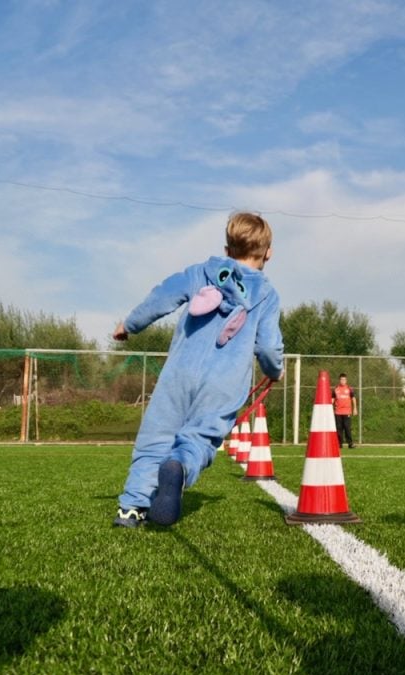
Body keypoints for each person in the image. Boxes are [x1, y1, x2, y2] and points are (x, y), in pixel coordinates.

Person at [112, 212, 284, 528]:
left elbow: (161, 297)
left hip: (179, 373)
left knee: (156, 435)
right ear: (268, 252)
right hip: (224, 382)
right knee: (201, 437)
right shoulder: (267, 295)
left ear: (227, 247)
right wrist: (274, 370)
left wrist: (130, 324)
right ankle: (180, 465)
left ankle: (131, 507)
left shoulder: (200, 273)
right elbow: (269, 346)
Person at [331, 372, 357, 449]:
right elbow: (332, 399)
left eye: (344, 379)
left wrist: (355, 408)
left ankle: (350, 443)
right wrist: (329, 408)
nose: (343, 381)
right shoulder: (335, 389)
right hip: (338, 412)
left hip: (347, 412)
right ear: (339, 380)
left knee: (347, 428)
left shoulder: (349, 389)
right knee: (339, 428)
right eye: (342, 379)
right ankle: (339, 444)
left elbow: (353, 398)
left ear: (346, 380)